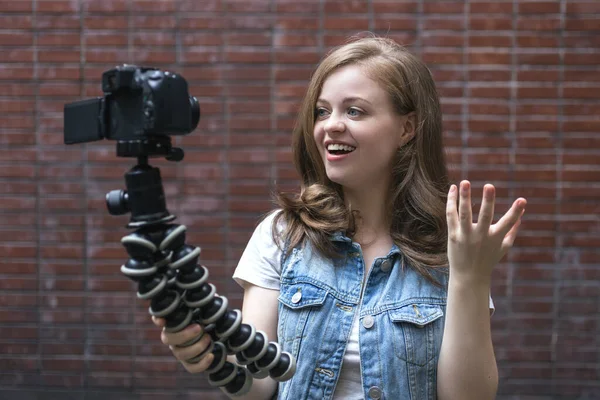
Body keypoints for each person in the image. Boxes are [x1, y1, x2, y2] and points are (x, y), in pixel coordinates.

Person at [152, 35, 527, 400]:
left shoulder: (451, 248)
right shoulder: (283, 235)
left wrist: (471, 277)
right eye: (322, 110)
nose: (330, 125)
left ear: (407, 128)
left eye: (354, 110)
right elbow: (259, 383)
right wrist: (211, 354)